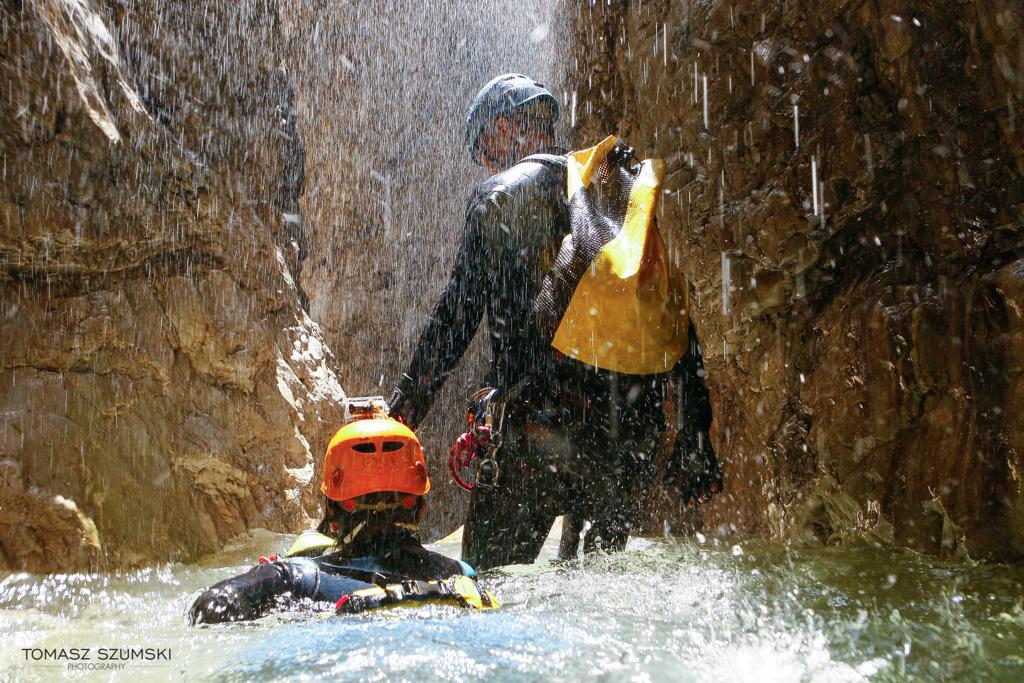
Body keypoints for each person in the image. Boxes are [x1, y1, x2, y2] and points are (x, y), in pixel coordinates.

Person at [388, 73, 722, 571]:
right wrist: (697, 437)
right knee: (595, 603)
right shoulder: (615, 194)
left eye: (484, 151)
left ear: (502, 129)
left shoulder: (498, 195)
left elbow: (452, 324)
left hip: (535, 432)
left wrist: (398, 418)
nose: (486, 164)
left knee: (488, 591)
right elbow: (673, 313)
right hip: (629, 441)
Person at [187, 402, 496, 625]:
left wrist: (269, 577)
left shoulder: (297, 578)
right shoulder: (461, 574)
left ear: (331, 515)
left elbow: (210, 606)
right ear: (420, 510)